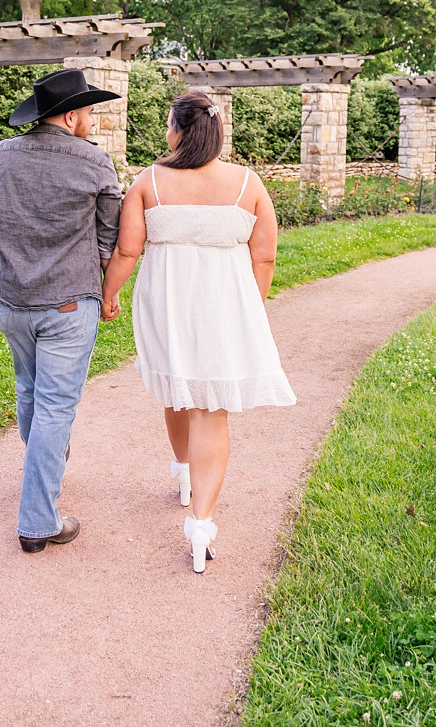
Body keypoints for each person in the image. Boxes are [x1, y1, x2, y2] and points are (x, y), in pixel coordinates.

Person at [100, 90, 296, 573]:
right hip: (226, 306)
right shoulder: (247, 183)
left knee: (177, 389)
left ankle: (183, 472)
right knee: (213, 410)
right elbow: (264, 256)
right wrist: (252, 306)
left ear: (177, 131)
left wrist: (109, 295)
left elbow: (127, 252)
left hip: (167, 304)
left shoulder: (149, 181)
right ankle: (202, 523)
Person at [0, 66, 124, 553]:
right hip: (70, 304)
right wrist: (109, 291)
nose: (93, 120)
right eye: (90, 112)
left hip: (10, 302)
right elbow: (108, 240)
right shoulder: (96, 164)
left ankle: (43, 467)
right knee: (55, 407)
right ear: (72, 117)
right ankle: (39, 522)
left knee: (30, 391)